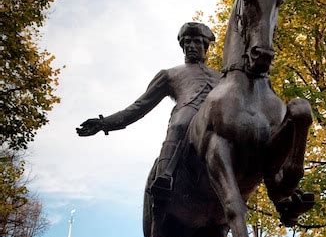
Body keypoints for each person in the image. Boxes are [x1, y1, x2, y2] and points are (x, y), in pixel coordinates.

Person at [76, 22, 220, 198]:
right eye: (186, 42)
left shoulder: (221, 77)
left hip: (216, 120)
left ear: (205, 46)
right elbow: (140, 106)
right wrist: (104, 123)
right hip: (185, 117)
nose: (191, 46)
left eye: (196, 41)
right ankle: (163, 177)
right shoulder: (169, 74)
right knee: (180, 123)